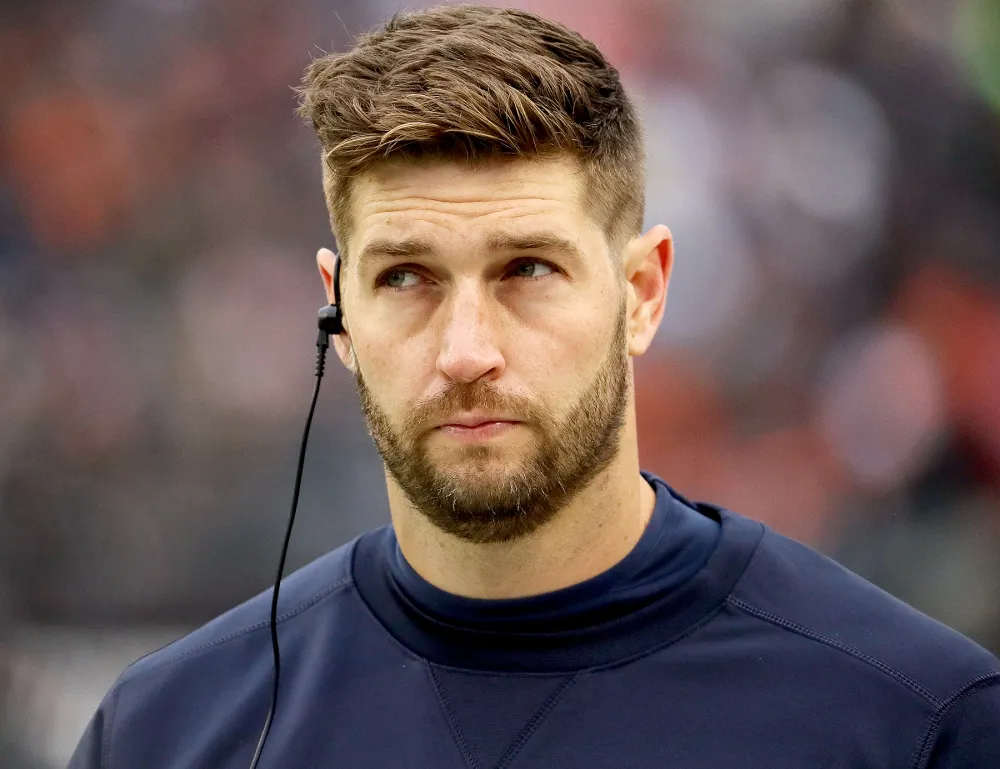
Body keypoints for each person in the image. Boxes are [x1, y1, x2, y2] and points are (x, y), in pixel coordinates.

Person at [69, 5, 1000, 768]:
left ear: (642, 293)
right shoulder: (167, 733)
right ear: (337, 312)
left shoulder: (912, 719)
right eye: (404, 277)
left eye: (526, 270)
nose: (465, 349)